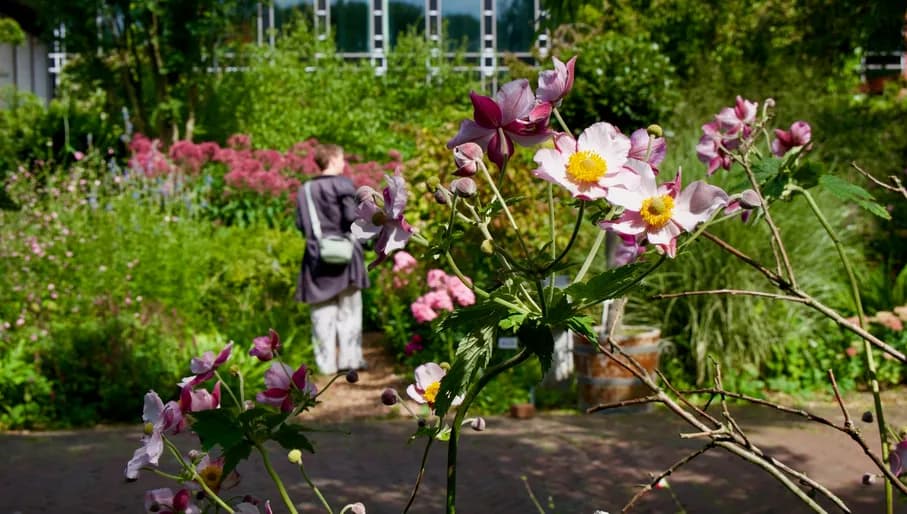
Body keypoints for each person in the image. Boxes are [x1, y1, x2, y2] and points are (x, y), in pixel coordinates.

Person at [295, 144, 368, 374]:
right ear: (334, 159)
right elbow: (351, 217)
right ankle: (350, 361)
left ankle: (325, 365)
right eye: (342, 158)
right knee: (349, 311)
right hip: (347, 254)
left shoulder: (305, 189)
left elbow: (300, 224)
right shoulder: (343, 184)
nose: (344, 163)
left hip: (317, 256)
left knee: (321, 313)